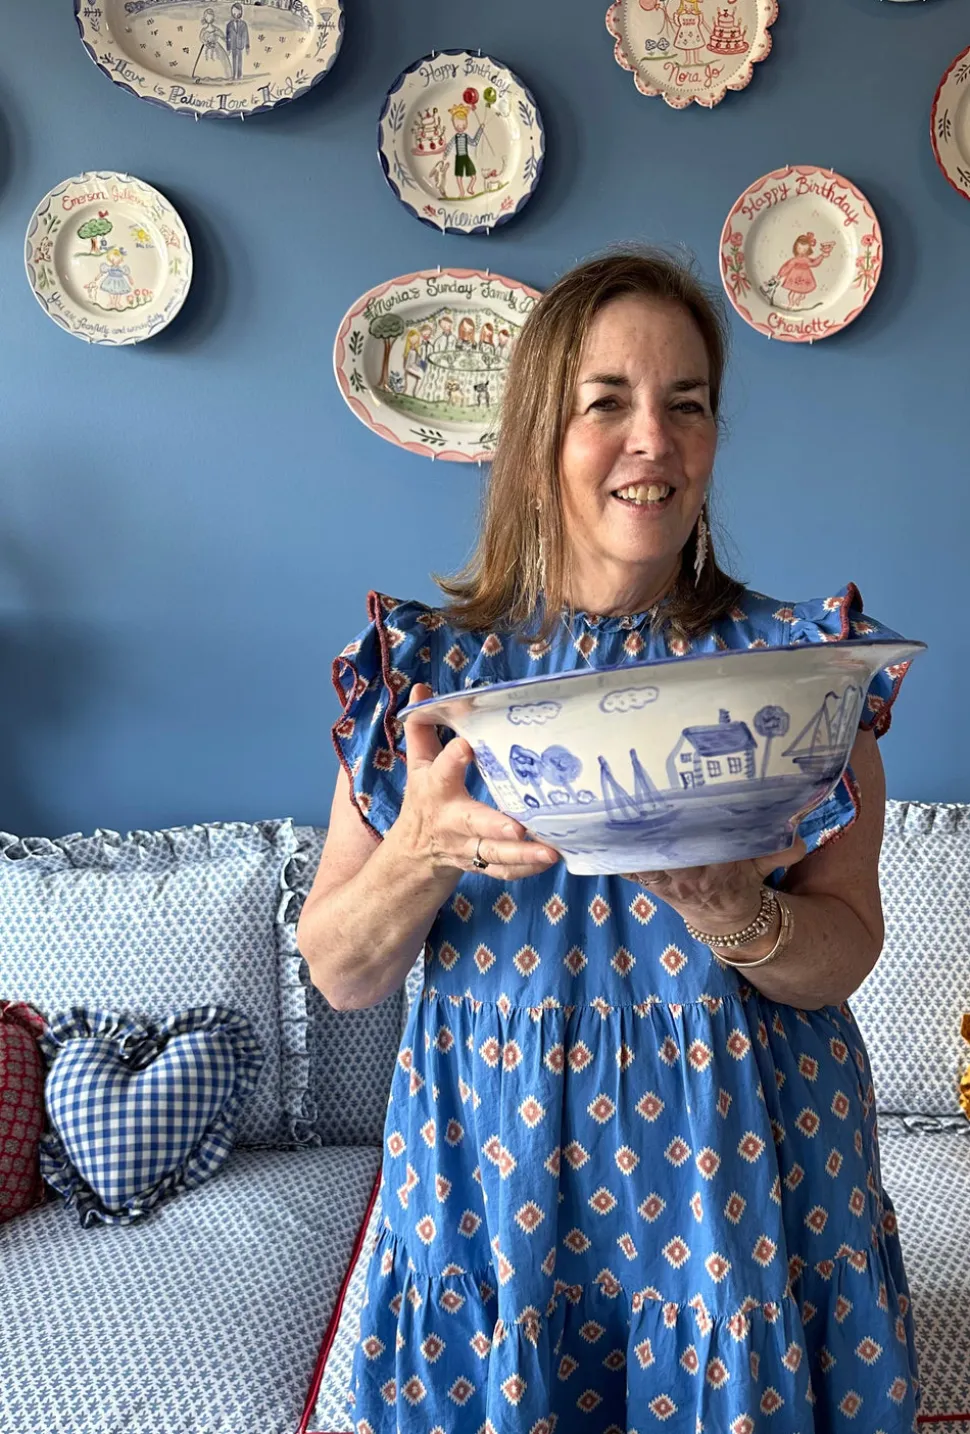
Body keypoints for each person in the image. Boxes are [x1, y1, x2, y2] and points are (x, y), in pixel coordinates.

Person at [297, 249, 922, 1432]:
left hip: (740, 1206)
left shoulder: (795, 676)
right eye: (607, 403)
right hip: (496, 1201)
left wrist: (735, 910)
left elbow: (840, 955)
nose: (654, 441)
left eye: (687, 404)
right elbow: (339, 970)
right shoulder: (425, 681)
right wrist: (419, 849)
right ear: (539, 431)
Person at [193, 9, 232, 80]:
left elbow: (223, 37)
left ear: (213, 17)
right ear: (205, 18)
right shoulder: (204, 30)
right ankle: (205, 75)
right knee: (205, 61)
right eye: (207, 17)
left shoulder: (216, 29)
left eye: (210, 17)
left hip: (216, 47)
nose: (209, 19)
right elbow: (201, 38)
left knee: (218, 60)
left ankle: (219, 75)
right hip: (206, 48)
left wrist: (229, 41)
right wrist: (206, 43)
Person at [225, 2, 249, 81]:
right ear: (232, 12)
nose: (236, 14)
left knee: (240, 61)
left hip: (240, 44)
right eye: (234, 12)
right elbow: (227, 37)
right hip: (233, 45)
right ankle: (234, 75)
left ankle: (239, 74)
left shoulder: (243, 24)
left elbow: (246, 35)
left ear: (241, 12)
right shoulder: (229, 25)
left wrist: (247, 46)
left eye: (238, 13)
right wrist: (228, 48)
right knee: (234, 59)